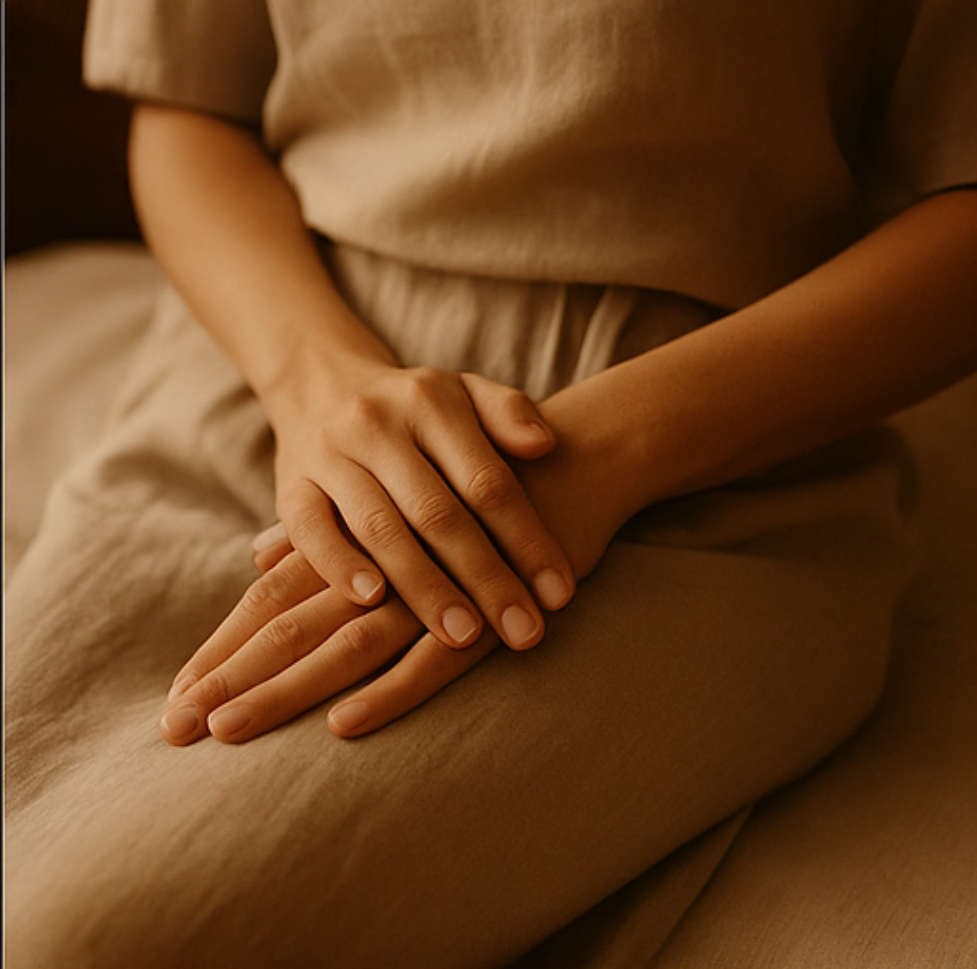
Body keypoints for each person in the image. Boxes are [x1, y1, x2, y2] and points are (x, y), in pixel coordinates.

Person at [6, 1, 976, 967]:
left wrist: (588, 457)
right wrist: (314, 385)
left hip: (699, 451)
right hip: (271, 374)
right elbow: (188, 108)